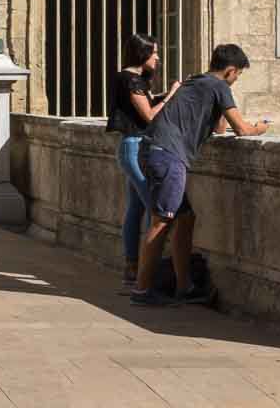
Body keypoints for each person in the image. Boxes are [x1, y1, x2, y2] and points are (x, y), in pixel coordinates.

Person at [131, 43, 271, 306]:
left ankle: (184, 286)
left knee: (184, 218)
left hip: (154, 150)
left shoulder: (196, 81)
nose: (236, 80)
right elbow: (241, 129)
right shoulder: (218, 86)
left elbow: (218, 128)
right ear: (230, 71)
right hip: (168, 155)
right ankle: (141, 291)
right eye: (238, 75)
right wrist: (261, 127)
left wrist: (219, 109)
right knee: (162, 222)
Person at [106, 33, 179, 291]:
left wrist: (162, 96)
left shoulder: (130, 79)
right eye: (154, 53)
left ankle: (132, 267)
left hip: (133, 146)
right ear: (142, 54)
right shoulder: (130, 79)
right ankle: (147, 272)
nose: (158, 58)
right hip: (134, 147)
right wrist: (171, 96)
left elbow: (143, 107)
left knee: (136, 209)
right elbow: (148, 116)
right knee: (155, 209)